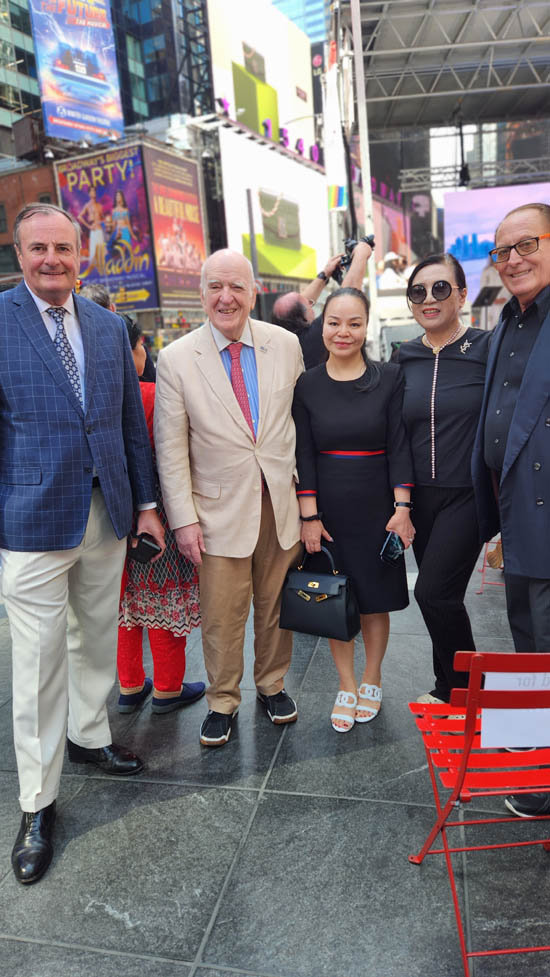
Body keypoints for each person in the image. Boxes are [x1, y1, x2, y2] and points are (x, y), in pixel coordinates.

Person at [0, 202, 165, 885]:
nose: (52, 259)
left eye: (63, 248)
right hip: (31, 520)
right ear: (19, 253)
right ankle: (38, 802)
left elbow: (131, 423)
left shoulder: (104, 325)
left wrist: (148, 505)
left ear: (81, 253)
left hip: (107, 514)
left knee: (96, 634)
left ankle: (90, 733)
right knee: (36, 664)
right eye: (38, 248)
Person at [154, 248, 303, 747]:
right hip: (214, 512)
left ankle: (272, 684)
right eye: (216, 286)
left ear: (253, 293)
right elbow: (170, 447)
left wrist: (308, 504)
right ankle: (222, 699)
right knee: (222, 614)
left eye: (237, 286)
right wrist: (183, 520)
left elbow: (300, 426)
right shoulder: (176, 359)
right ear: (201, 294)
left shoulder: (285, 345)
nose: (226, 297)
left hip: (279, 504)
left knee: (276, 606)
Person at [292, 287, 414, 733]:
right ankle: (345, 684)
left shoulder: (390, 377)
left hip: (377, 505)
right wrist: (310, 516)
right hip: (328, 508)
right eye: (334, 322)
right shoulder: (306, 383)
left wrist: (402, 508)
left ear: (367, 327)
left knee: (373, 602)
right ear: (322, 326)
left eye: (354, 323)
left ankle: (372, 677)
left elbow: (400, 445)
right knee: (332, 598)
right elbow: (304, 454)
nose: (343, 332)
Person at [471, 202, 550, 818]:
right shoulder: (507, 322)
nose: (514, 260)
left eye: (528, 244)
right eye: (503, 252)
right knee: (528, 638)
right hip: (514, 509)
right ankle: (535, 747)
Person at [396, 254, 491, 704]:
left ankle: (470, 693)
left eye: (440, 289)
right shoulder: (405, 355)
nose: (429, 299)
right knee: (441, 596)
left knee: (433, 591)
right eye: (418, 291)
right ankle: (447, 685)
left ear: (461, 294)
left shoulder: (486, 349)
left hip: (467, 495)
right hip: (420, 499)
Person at [117, 317, 204, 714]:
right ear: (135, 350)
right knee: (164, 597)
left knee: (125, 605)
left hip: (115, 516)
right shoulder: (154, 394)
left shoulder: (95, 397)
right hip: (161, 514)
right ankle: (168, 687)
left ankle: (130, 686)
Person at [272, 240, 373, 369]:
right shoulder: (312, 338)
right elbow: (347, 297)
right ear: (304, 317)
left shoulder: (283, 337)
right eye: (309, 305)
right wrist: (361, 253)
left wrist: (325, 274)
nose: (311, 304)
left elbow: (297, 303)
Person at [77, 187, 104, 266]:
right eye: (91, 191)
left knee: (101, 252)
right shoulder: (88, 205)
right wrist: (89, 226)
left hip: (99, 230)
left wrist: (100, 222)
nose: (93, 193)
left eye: (94, 191)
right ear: (89, 194)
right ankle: (95, 272)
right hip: (93, 231)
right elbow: (79, 217)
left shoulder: (99, 206)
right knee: (93, 254)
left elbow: (103, 218)